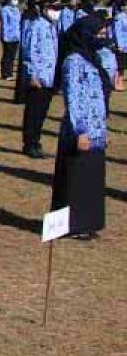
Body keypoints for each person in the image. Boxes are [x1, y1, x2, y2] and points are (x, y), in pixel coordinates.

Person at [51, 15, 112, 240]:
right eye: (99, 34)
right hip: (80, 132)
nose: (103, 39)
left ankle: (87, 222)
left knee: (91, 179)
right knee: (74, 178)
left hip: (96, 129)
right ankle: (70, 226)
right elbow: (74, 99)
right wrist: (81, 131)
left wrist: (102, 129)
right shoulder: (74, 62)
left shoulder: (93, 58)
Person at [22, 0, 60, 159]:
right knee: (34, 112)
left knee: (42, 112)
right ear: (43, 8)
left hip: (49, 77)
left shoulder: (51, 27)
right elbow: (29, 51)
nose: (55, 11)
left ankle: (36, 141)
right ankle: (30, 143)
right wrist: (32, 74)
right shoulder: (36, 26)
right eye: (52, 7)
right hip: (38, 77)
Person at [0, 0, 22, 80]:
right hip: (7, 36)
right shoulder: (5, 10)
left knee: (13, 56)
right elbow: (4, 24)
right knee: (7, 55)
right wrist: (5, 36)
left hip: (16, 36)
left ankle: (10, 72)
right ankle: (5, 73)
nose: (15, 0)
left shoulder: (17, 10)